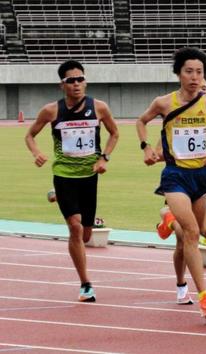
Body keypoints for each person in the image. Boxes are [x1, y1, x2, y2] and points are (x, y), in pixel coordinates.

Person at [136, 47, 206, 319]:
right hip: (175, 176)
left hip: (201, 178)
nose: (194, 77)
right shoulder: (164, 103)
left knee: (191, 236)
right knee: (191, 233)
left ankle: (170, 221)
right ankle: (205, 298)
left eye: (199, 72)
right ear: (178, 73)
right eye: (189, 71)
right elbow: (141, 122)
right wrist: (146, 147)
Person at [25, 60, 119, 302]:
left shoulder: (99, 108)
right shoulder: (51, 111)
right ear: (62, 85)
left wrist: (104, 157)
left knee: (87, 234)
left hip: (89, 177)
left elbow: (114, 133)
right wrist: (36, 153)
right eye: (71, 80)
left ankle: (59, 198)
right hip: (64, 175)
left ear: (85, 81)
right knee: (75, 229)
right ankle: (86, 283)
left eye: (80, 79)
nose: (76, 84)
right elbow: (30, 135)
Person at [155, 76, 206, 305]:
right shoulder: (180, 117)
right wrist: (160, 154)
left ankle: (170, 221)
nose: (202, 92)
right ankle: (182, 285)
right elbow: (160, 149)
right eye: (199, 89)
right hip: (181, 183)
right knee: (188, 237)